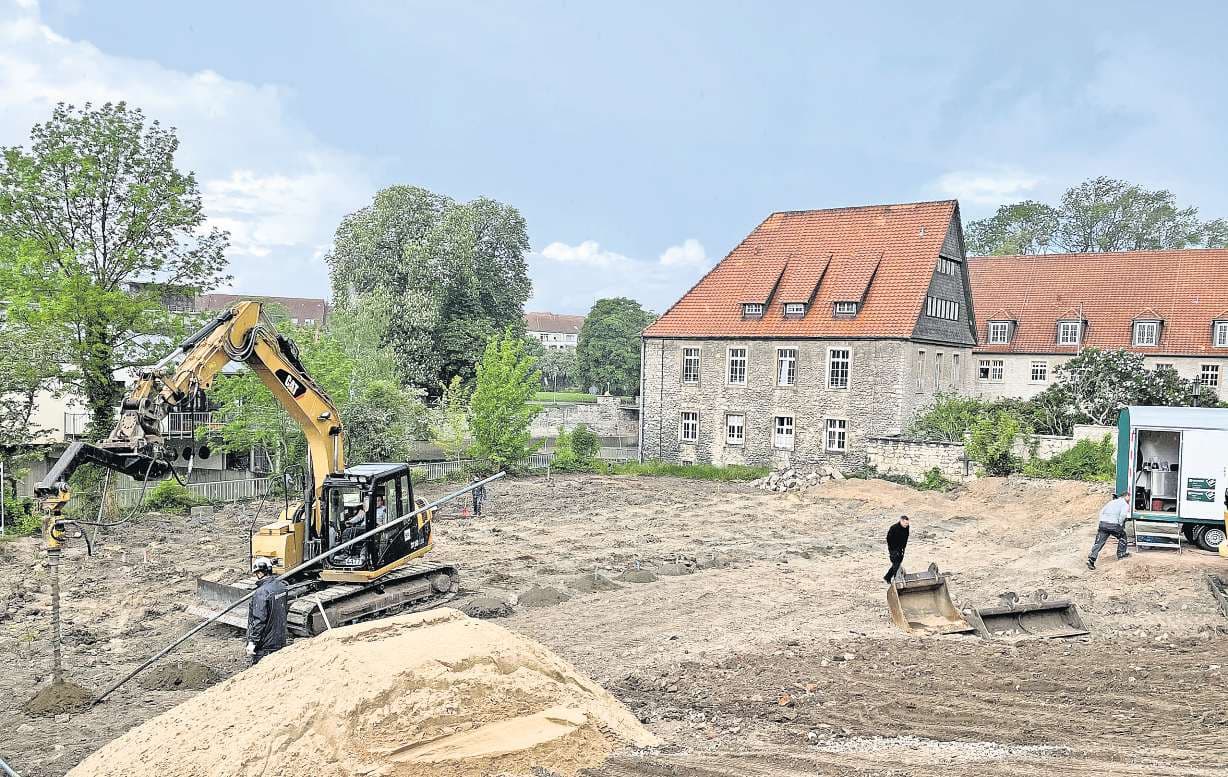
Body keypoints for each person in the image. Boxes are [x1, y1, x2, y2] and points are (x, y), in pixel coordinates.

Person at [246, 557, 288, 665]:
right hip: (280, 640)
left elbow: (259, 620)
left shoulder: (261, 593)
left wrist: (252, 642)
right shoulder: (281, 587)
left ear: (259, 573)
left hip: (265, 646)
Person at [1087, 492, 1131, 570]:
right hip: (1113, 525)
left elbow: (1101, 512)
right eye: (1130, 497)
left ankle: (1091, 560)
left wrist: (1101, 522)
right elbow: (1123, 515)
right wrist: (1120, 524)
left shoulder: (1111, 502)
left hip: (1103, 524)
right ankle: (1121, 554)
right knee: (1123, 536)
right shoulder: (1125, 504)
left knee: (1099, 542)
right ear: (1127, 496)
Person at [884, 515, 910, 583]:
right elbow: (888, 539)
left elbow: (906, 537)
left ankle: (887, 577)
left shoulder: (907, 527)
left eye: (907, 523)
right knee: (896, 564)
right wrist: (893, 549)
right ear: (901, 521)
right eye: (905, 523)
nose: (906, 525)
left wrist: (903, 547)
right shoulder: (893, 528)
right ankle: (896, 580)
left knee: (897, 564)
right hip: (893, 549)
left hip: (901, 549)